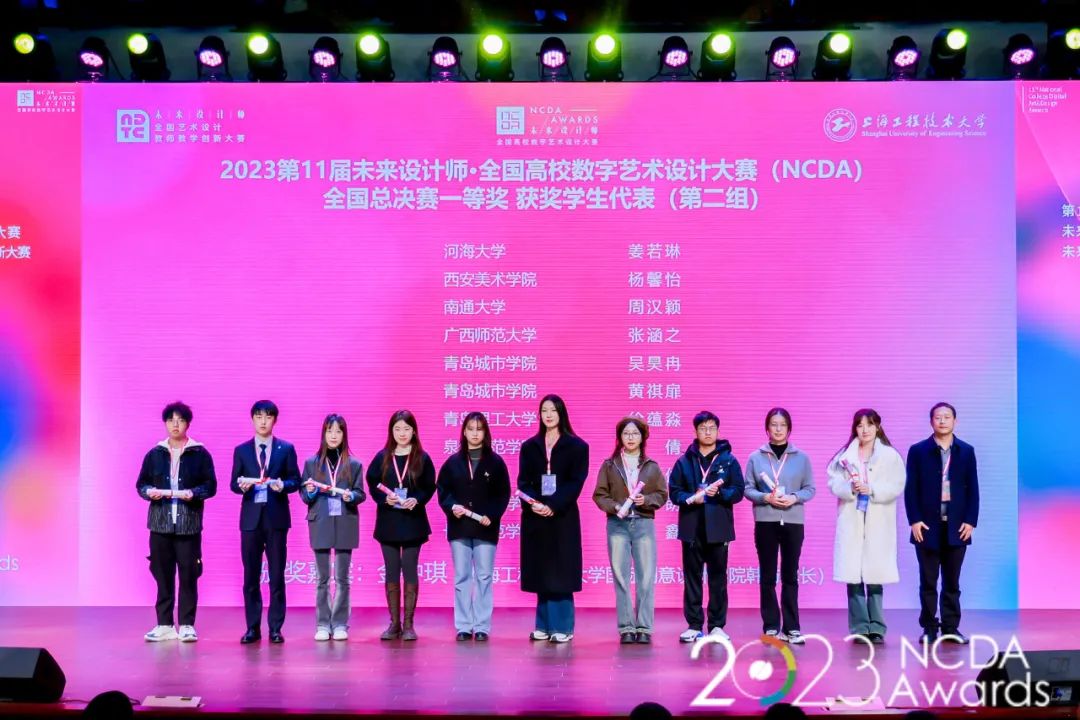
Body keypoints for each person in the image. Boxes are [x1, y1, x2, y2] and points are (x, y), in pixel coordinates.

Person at [136, 402, 217, 642]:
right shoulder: (154, 454)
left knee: (189, 575)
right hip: (160, 525)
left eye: (180, 420)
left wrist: (194, 493)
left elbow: (211, 486)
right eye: (171, 420)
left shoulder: (200, 454)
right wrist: (148, 492)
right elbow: (141, 484)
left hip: (188, 526)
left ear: (187, 424)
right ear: (165, 423)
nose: (175, 424)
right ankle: (164, 624)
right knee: (162, 575)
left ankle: (187, 625)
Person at [826, 409, 906, 644]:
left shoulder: (890, 455)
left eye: (869, 425)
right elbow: (833, 482)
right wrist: (849, 488)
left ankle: (877, 627)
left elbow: (897, 484)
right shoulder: (844, 456)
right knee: (853, 575)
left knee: (875, 574)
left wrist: (872, 489)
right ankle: (860, 627)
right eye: (860, 425)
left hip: (878, 520)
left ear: (878, 427)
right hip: (852, 518)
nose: (865, 430)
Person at [904, 402, 979, 644]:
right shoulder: (918, 451)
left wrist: (971, 521)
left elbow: (973, 489)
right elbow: (910, 489)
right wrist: (914, 520)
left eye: (947, 417)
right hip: (927, 527)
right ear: (931, 422)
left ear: (955, 421)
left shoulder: (966, 451)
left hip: (957, 527)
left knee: (952, 582)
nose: (943, 421)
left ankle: (950, 628)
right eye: (938, 417)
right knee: (928, 582)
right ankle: (929, 627)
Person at [668, 411, 744, 643]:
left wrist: (719, 493)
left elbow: (738, 491)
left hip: (718, 528)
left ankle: (717, 625)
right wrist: (692, 498)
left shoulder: (728, 460)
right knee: (692, 578)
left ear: (718, 431)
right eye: (703, 428)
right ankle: (693, 625)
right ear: (696, 431)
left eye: (712, 428)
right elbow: (674, 492)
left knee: (718, 579)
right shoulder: (684, 461)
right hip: (691, 528)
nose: (707, 432)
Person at [519, 394, 589, 643]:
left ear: (561, 413)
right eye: (544, 411)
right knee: (542, 570)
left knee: (561, 571)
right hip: (535, 516)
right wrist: (536, 504)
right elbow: (523, 482)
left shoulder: (577, 446)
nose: (548, 415)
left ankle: (563, 627)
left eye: (553, 410)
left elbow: (575, 482)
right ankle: (544, 625)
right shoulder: (530, 446)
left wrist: (553, 505)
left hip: (562, 517)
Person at [230, 400, 301, 644]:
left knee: (277, 575)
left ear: (275, 420)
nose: (263, 421)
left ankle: (275, 628)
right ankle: (252, 627)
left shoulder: (286, 448)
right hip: (250, 520)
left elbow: (295, 480)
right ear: (252, 419)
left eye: (268, 417)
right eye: (258, 416)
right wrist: (242, 486)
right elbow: (233, 483)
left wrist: (283, 485)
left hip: (276, 518)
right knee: (250, 576)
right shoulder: (242, 450)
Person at [437, 411, 511, 641]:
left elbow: (503, 494)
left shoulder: (496, 462)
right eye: (470, 429)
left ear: (485, 432)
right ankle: (463, 625)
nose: (475, 433)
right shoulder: (453, 462)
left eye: (479, 429)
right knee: (462, 576)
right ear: (464, 432)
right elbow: (442, 491)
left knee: (484, 577)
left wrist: (492, 515)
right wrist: (451, 507)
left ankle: (481, 626)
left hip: (485, 528)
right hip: (459, 527)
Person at [593, 417, 668, 644]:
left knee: (646, 577)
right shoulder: (610, 465)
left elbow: (662, 494)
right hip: (617, 525)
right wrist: (615, 506)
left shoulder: (651, 466)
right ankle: (626, 627)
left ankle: (644, 627)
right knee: (621, 577)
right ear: (620, 437)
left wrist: (646, 500)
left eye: (635, 433)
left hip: (644, 524)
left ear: (643, 437)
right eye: (626, 433)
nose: (631, 437)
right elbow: (599, 495)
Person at [744, 407, 816, 644]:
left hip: (793, 521)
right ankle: (771, 625)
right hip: (766, 521)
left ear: (789, 428)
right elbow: (747, 489)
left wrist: (794, 497)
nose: (778, 429)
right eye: (773, 425)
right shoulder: (756, 457)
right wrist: (766, 497)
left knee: (790, 575)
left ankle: (792, 627)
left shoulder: (802, 458)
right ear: (767, 428)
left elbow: (810, 489)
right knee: (767, 576)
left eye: (782, 425)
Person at [366, 410, 437, 641]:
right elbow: (372, 482)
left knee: (410, 570)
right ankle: (394, 624)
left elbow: (429, 486)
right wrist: (383, 498)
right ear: (391, 431)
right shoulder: (382, 457)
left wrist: (417, 499)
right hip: (388, 522)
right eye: (397, 429)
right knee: (391, 571)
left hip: (413, 522)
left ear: (414, 431)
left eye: (406, 429)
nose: (402, 433)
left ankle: (408, 625)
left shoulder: (422, 458)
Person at [300, 413, 366, 641]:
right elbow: (304, 494)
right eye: (330, 431)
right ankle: (322, 624)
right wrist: (309, 491)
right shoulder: (311, 463)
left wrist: (351, 496)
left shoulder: (354, 464)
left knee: (342, 578)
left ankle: (339, 624)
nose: (334, 435)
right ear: (324, 434)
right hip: (320, 522)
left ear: (344, 435)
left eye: (338, 431)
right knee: (322, 579)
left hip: (345, 521)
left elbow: (361, 493)